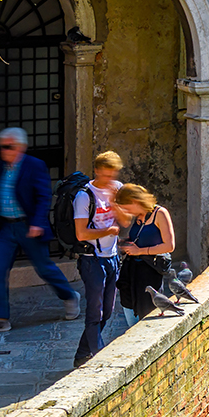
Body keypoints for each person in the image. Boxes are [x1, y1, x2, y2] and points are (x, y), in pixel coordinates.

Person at [0, 128, 79, 334]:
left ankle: (69, 295)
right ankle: (0, 319)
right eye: (2, 146)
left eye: (9, 146)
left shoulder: (34, 165)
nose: (4, 150)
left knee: (44, 268)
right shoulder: (2, 166)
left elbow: (43, 196)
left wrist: (37, 223)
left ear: (20, 147)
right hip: (7, 227)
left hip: (28, 226)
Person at [71, 151, 124, 366]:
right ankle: (98, 357)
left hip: (112, 258)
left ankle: (81, 354)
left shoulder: (117, 188)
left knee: (107, 311)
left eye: (113, 175)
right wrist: (107, 231)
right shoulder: (84, 196)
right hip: (92, 260)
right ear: (96, 171)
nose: (110, 179)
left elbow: (125, 221)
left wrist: (116, 204)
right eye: (106, 175)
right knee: (95, 312)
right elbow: (81, 233)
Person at [114, 183, 177, 322]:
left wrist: (140, 251)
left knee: (147, 311)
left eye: (127, 207)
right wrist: (125, 243)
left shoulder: (160, 213)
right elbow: (140, 238)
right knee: (128, 306)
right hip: (132, 271)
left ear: (134, 201)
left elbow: (169, 246)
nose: (126, 211)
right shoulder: (138, 217)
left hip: (150, 272)